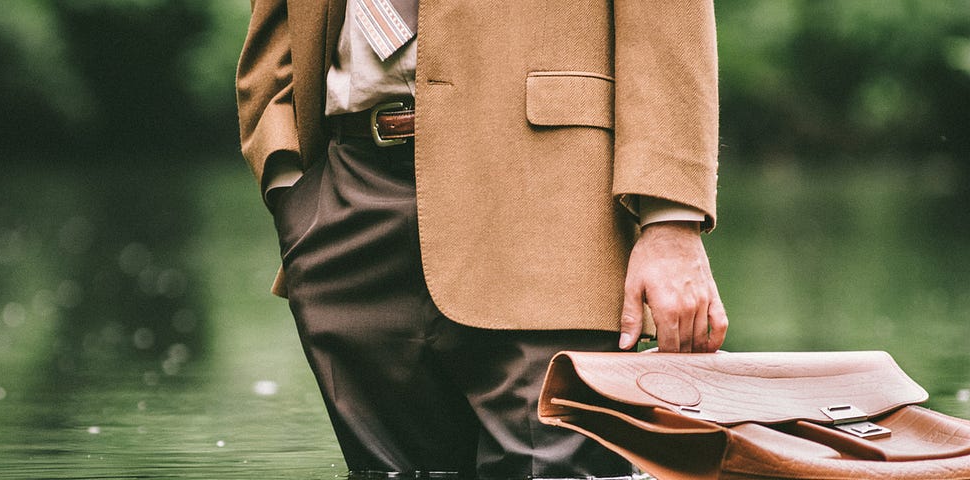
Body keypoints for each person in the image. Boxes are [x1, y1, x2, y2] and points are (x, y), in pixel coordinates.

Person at [236, 0, 727, 478]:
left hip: (553, 196)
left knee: (555, 468)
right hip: (349, 198)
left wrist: (671, 218)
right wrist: (288, 184)